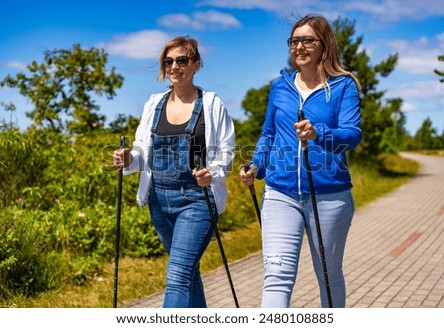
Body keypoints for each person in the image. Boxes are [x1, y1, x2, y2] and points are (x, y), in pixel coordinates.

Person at [240, 14, 362, 308]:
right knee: (277, 274)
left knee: (328, 274)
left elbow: (352, 134)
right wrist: (256, 166)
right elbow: (268, 134)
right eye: (294, 41)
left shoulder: (343, 86)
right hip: (280, 193)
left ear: (324, 45)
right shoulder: (280, 86)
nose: (299, 46)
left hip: (329, 196)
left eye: (308, 40)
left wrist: (319, 133)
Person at [113, 36, 235, 308]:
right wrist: (128, 157)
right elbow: (142, 150)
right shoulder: (153, 103)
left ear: (195, 64)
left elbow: (227, 151)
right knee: (187, 273)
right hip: (160, 201)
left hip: (197, 200)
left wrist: (212, 173)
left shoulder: (212, 104)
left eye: (182, 60)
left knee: (178, 276)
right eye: (168, 61)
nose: (174, 66)